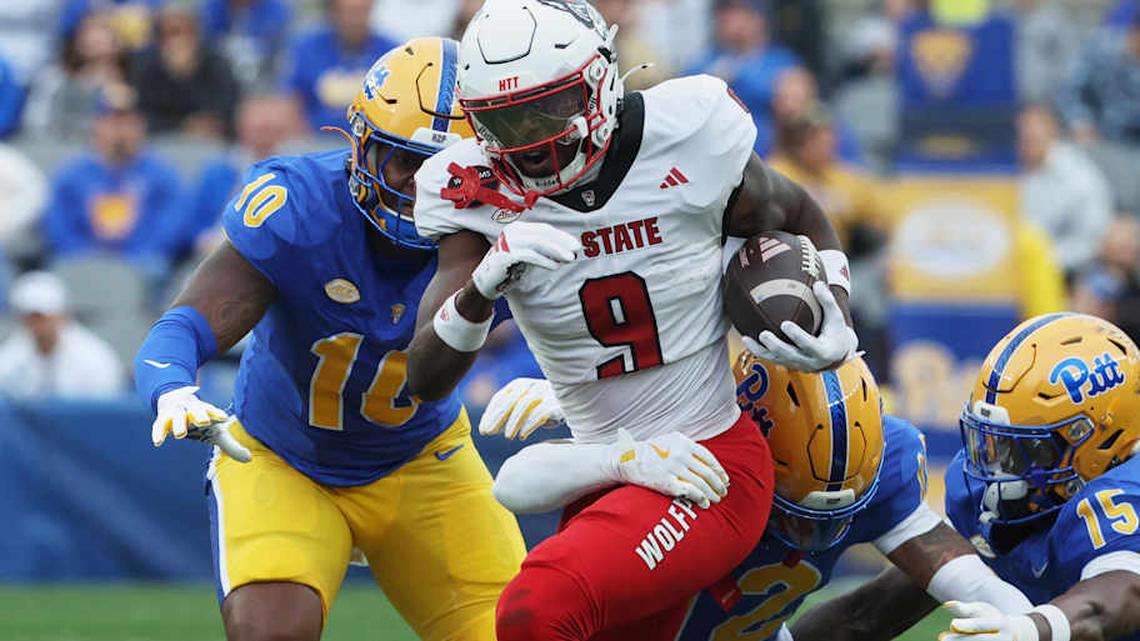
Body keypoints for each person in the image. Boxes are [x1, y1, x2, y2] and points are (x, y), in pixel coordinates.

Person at [407, 2, 858, 639]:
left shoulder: (688, 131)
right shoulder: (471, 190)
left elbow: (797, 212)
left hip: (706, 464)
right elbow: (423, 379)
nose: (532, 140)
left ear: (599, 81)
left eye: (549, 108)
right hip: (604, 470)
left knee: (539, 607)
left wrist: (836, 306)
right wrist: (480, 290)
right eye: (507, 121)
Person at [133, 38, 526, 641]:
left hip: (422, 461)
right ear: (362, 146)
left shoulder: (506, 228)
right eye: (408, 163)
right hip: (283, 459)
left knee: (518, 631)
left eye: (451, 171)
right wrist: (170, 389)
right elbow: (184, 325)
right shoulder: (298, 206)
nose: (426, 187)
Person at [482, 355, 1034, 641]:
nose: (805, 539)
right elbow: (510, 485)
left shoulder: (882, 458)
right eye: (792, 515)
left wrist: (1030, 620)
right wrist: (610, 448)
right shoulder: (695, 449)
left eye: (831, 517)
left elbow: (946, 561)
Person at [793, 313, 1140, 641]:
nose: (998, 469)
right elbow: (866, 617)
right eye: (996, 444)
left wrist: (1030, 630)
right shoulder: (996, 501)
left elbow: (1112, 599)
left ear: (1101, 439)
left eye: (1027, 450)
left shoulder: (1124, 490)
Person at [42, 85, 187, 270]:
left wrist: (132, 260)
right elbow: (58, 229)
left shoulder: (162, 175)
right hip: (81, 262)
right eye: (111, 122)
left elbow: (170, 231)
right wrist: (85, 258)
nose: (119, 131)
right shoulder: (71, 174)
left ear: (141, 125)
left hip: (142, 265)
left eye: (127, 122)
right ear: (96, 124)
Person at [183, 95, 300, 255]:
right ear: (240, 123)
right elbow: (193, 226)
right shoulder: (217, 172)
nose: (264, 124)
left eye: (270, 118)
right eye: (257, 117)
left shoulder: (299, 173)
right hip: (219, 254)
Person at [1017, 104, 1113, 277]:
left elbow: (1093, 240)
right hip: (1002, 269)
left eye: (1033, 139)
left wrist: (1041, 260)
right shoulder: (997, 171)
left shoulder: (1079, 175)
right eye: (1020, 139)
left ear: (1053, 133)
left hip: (1060, 271)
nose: (1025, 145)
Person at [0, 271, 124, 399]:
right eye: (28, 317)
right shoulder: (9, 358)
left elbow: (103, 410)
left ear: (61, 315)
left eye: (41, 317)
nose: (35, 324)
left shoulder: (95, 359)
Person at [281, 0, 396, 131]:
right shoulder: (307, 49)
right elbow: (292, 102)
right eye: (351, 12)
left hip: (371, 141)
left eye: (362, 11)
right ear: (333, 12)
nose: (356, 20)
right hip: (317, 139)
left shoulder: (390, 53)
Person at [132, 3, 240, 138]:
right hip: (161, 142)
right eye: (168, 34)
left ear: (196, 34)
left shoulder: (217, 63)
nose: (176, 41)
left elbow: (229, 107)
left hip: (212, 140)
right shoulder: (147, 66)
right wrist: (183, 125)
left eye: (181, 32)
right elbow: (143, 115)